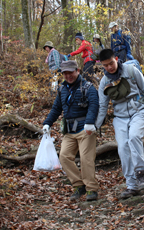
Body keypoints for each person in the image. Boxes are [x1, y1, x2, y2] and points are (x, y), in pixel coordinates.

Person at [95, 49, 144, 199]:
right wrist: (96, 125)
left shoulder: (131, 71)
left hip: (138, 111)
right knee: (122, 148)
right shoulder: (104, 82)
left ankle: (141, 176)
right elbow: (102, 106)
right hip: (119, 117)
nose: (109, 67)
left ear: (116, 59)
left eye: (111, 63)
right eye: (105, 65)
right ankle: (131, 184)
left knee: (134, 137)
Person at [42, 60, 99, 202]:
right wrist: (47, 123)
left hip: (86, 130)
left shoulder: (88, 87)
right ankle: (78, 185)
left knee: (86, 159)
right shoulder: (62, 89)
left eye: (71, 73)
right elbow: (56, 108)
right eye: (65, 73)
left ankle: (91, 188)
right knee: (64, 157)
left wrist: (90, 122)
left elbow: (94, 105)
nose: (68, 76)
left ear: (77, 71)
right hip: (69, 131)